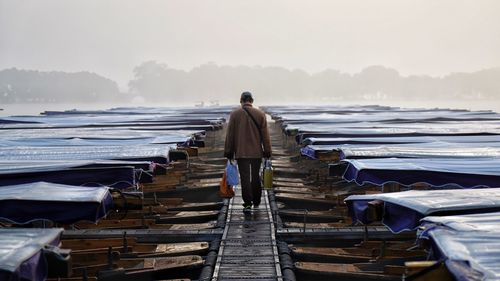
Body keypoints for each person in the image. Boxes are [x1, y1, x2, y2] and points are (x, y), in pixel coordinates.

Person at [224, 91, 272, 211]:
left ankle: (248, 203)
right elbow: (265, 136)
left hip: (241, 152)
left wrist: (229, 151)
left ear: (241, 101)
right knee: (256, 177)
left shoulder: (235, 115)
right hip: (256, 152)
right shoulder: (261, 114)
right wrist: (267, 151)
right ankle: (257, 201)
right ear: (252, 101)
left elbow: (230, 135)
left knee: (245, 178)